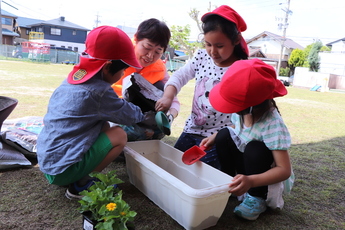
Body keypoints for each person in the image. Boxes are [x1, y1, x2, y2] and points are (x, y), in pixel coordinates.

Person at [36, 26, 145, 199]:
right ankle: (82, 184)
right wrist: (144, 115)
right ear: (108, 67)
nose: (124, 73)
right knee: (119, 135)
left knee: (105, 125)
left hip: (49, 162)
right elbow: (130, 116)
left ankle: (77, 175)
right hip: (63, 170)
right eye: (123, 69)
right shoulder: (99, 91)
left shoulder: (73, 79)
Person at [156, 5, 248, 169]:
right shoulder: (201, 56)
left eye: (219, 46)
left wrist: (220, 135)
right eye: (208, 44)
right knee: (173, 167)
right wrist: (168, 96)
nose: (212, 51)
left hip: (219, 137)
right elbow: (180, 75)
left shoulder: (242, 69)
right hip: (192, 129)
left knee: (201, 173)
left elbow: (246, 118)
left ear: (235, 41)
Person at [201, 58, 292, 220]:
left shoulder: (272, 123)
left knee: (255, 148)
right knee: (223, 134)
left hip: (261, 176)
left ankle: (256, 198)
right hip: (246, 168)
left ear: (250, 107)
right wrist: (214, 137)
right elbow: (236, 129)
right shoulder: (241, 113)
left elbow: (284, 170)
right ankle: (228, 181)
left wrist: (251, 181)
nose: (232, 110)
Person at [111, 18, 180, 141]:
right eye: (147, 47)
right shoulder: (116, 55)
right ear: (136, 38)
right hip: (109, 107)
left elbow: (172, 99)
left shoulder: (159, 69)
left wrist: (170, 117)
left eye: (158, 52)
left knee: (163, 89)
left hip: (135, 113)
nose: (150, 56)